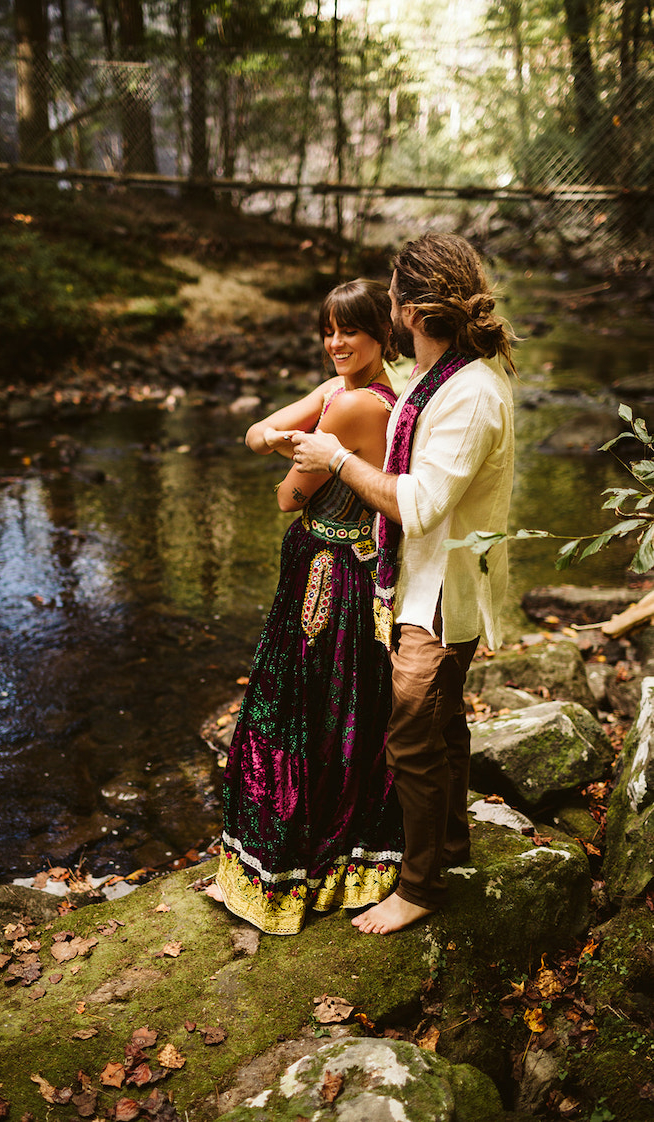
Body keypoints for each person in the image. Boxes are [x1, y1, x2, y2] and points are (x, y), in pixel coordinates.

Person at [292, 233, 517, 935]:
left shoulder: (471, 393)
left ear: (414, 307)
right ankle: (448, 849)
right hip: (420, 583)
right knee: (445, 726)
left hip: (447, 594)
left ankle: (420, 888)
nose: (384, 303)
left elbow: (417, 504)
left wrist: (334, 457)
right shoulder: (432, 377)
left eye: (391, 293)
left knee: (414, 731)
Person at [204, 279, 404, 935]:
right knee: (340, 713)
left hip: (330, 577)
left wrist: (289, 440)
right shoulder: (352, 393)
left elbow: (289, 498)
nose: (336, 343)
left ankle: (298, 873)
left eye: (350, 330)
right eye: (329, 330)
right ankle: (341, 865)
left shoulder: (352, 408)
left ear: (383, 332)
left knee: (306, 712)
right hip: (343, 570)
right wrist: (281, 436)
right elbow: (252, 432)